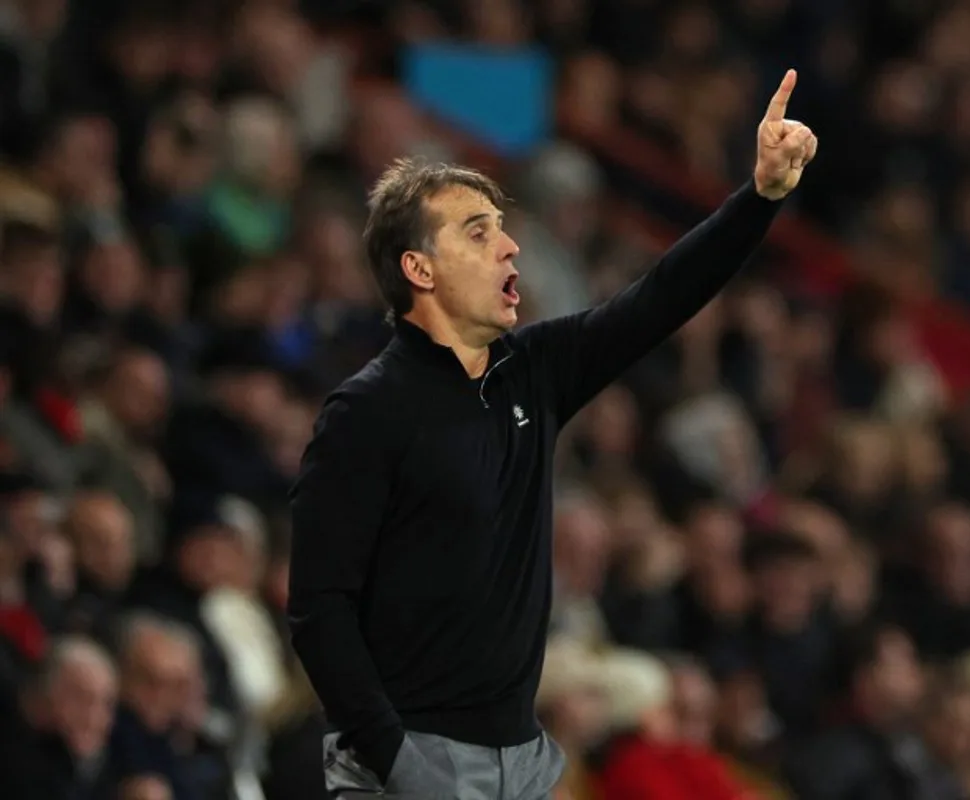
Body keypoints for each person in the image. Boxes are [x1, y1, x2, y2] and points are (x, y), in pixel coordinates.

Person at [287, 69, 818, 799]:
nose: (510, 248)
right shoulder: (365, 413)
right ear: (419, 269)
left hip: (521, 761)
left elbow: (659, 297)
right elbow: (320, 610)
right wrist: (399, 763)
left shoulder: (532, 369)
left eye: (504, 228)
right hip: (409, 763)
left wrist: (760, 196)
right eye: (479, 233)